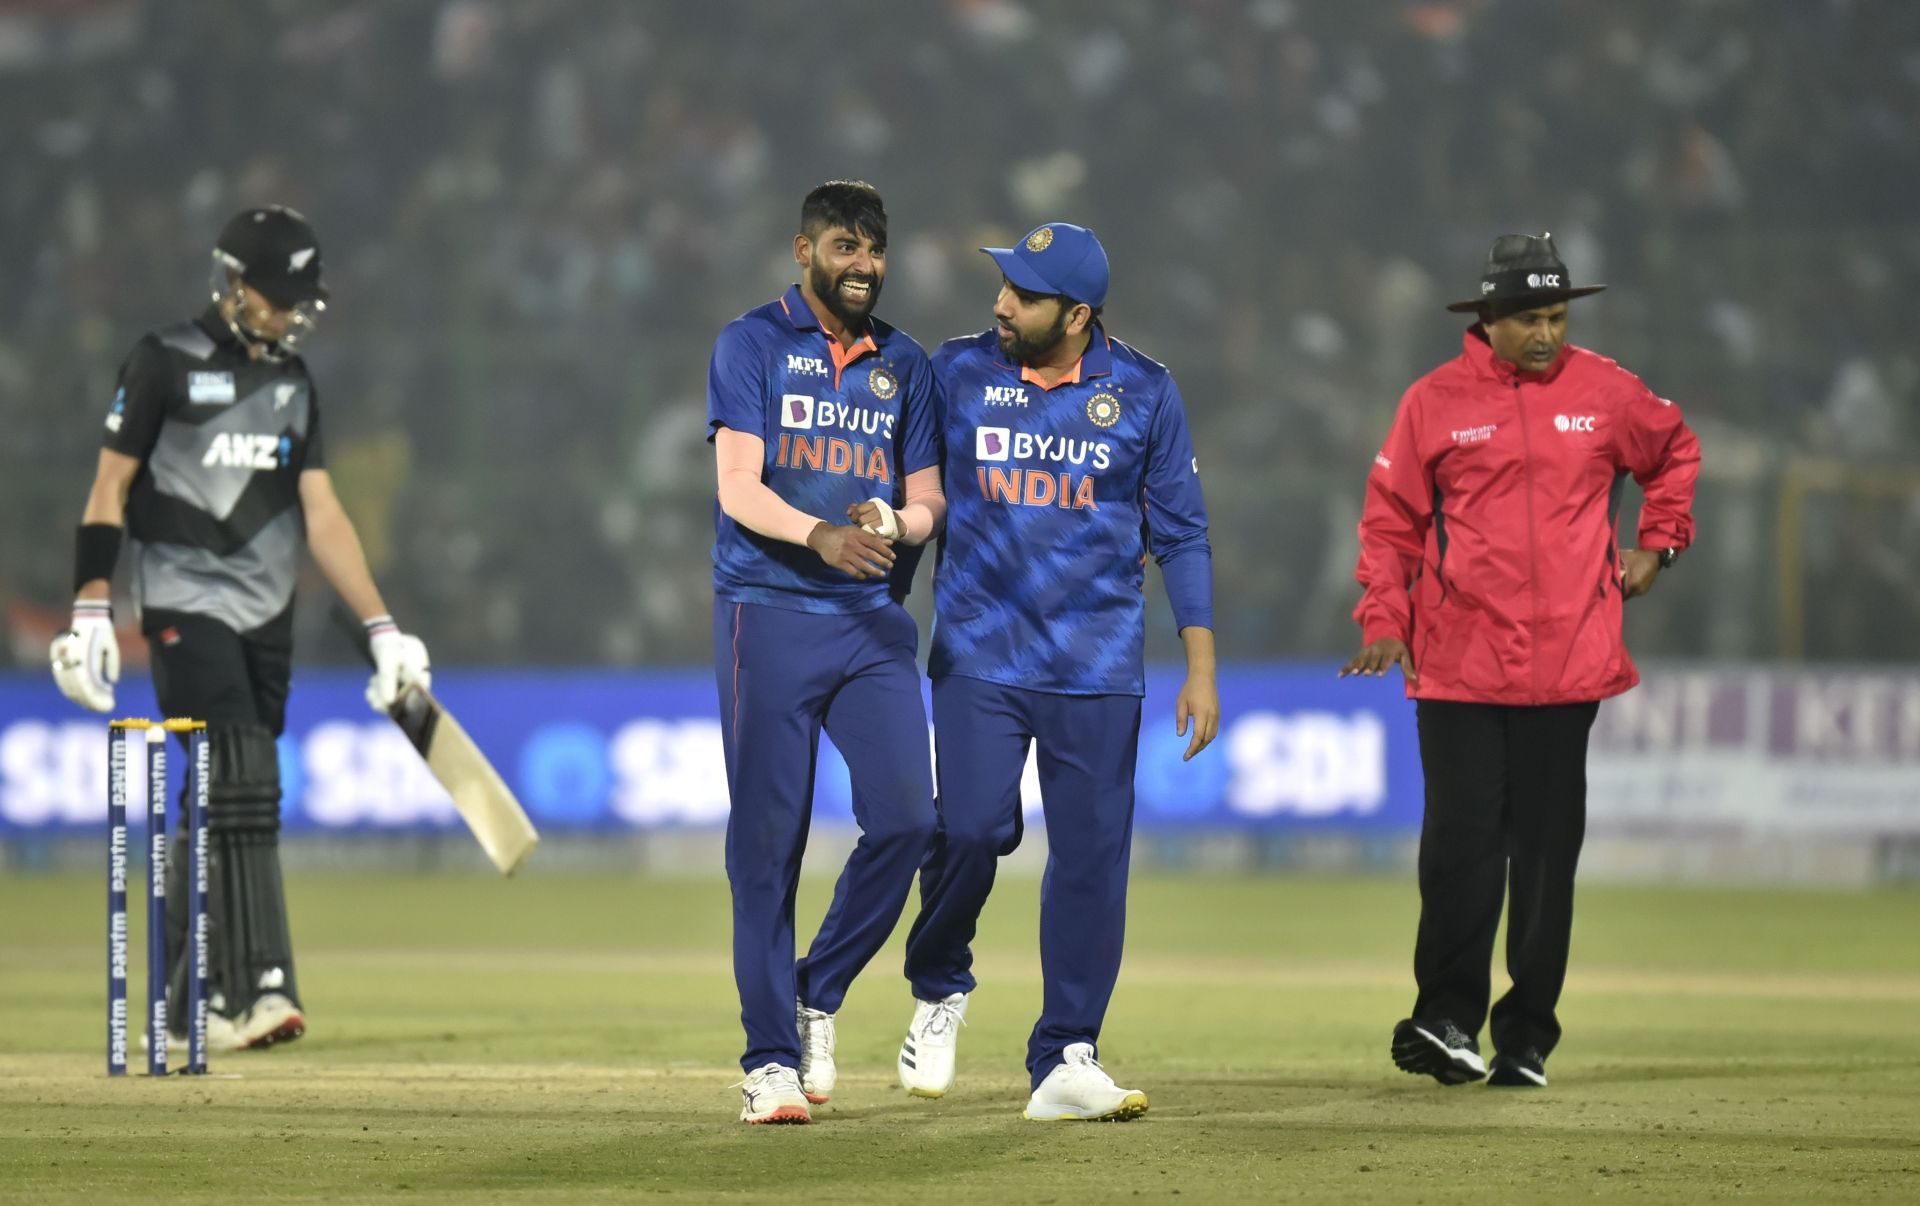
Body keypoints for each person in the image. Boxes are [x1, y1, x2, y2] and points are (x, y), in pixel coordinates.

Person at [49, 206, 432, 1052]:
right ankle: (258, 985)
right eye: (277, 295)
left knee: (226, 799)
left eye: (300, 298)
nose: (290, 312)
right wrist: (88, 605)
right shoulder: (164, 363)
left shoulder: (294, 382)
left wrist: (381, 626)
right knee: (241, 769)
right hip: (184, 604)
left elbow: (321, 511)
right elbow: (109, 488)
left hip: (267, 615)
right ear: (232, 284)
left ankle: (191, 1001)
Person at [1342, 233, 1701, 1088]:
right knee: (1459, 852)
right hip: (1459, 665)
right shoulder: (1432, 402)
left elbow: (1676, 453)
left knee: (1545, 856)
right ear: (1489, 320)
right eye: (1529, 317)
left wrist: (1660, 545)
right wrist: (1384, 619)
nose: (1547, 332)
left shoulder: (1608, 391)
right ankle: (1446, 1022)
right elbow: (1389, 525)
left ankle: (1528, 1037)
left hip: (1568, 666)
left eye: (1556, 315)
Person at [884, 222, 1217, 1121]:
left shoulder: (1144, 392)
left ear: (1076, 315)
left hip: (1099, 666)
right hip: (981, 653)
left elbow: (1181, 533)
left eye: (1022, 296)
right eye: (1001, 287)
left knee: (1091, 863)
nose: (1000, 304)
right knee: (971, 828)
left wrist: (1200, 665)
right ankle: (939, 982)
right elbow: (914, 492)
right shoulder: (953, 371)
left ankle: (1066, 1055)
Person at [706, 180, 945, 1125]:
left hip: (871, 625)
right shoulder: (750, 343)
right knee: (767, 844)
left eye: (876, 249)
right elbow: (736, 486)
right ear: (803, 252)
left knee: (910, 822)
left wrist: (896, 516)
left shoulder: (906, 363)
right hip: (767, 614)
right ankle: (768, 1062)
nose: (865, 265)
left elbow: (930, 499)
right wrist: (818, 536)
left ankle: (815, 989)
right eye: (846, 247)